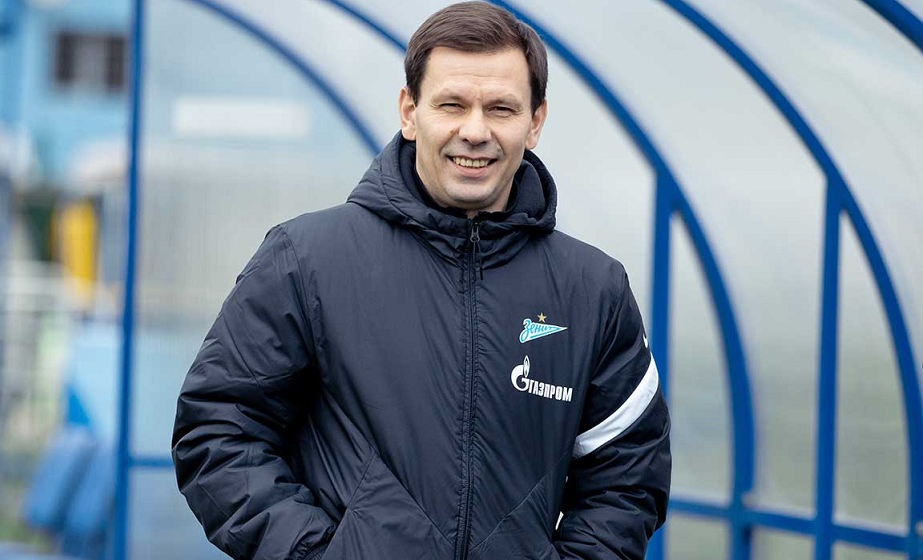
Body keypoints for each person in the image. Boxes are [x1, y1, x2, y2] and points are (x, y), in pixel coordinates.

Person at [172, 2, 670, 559]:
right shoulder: (307, 259)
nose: (474, 131)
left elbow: (628, 476)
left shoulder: (592, 290)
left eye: (501, 108)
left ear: (535, 122)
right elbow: (218, 431)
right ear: (410, 112)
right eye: (451, 104)